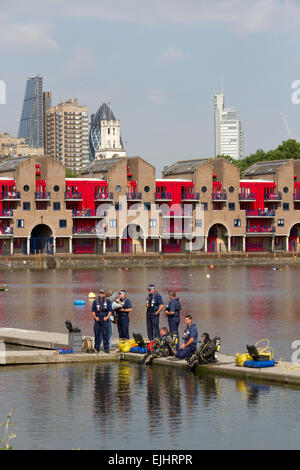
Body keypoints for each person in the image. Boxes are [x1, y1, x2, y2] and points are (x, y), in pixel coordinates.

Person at [91, 289, 113, 353]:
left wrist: (107, 317)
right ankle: (96, 347)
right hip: (97, 320)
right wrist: (95, 317)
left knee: (105, 334)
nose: (101, 294)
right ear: (98, 294)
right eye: (100, 293)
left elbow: (110, 311)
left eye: (102, 293)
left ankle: (106, 348)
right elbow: (93, 311)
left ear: (104, 294)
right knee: (97, 334)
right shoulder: (95, 301)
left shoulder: (108, 301)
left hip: (105, 319)